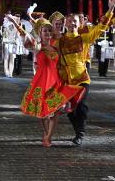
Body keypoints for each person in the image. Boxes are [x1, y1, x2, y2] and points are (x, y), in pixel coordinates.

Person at [57, 0, 115, 145]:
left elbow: (100, 28)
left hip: (82, 78)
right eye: (70, 21)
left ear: (79, 23)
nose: (72, 23)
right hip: (67, 79)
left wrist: (110, 10)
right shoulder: (60, 40)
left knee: (81, 106)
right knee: (70, 111)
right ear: (65, 23)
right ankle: (78, 131)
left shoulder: (84, 38)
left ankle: (80, 133)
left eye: (75, 21)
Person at [12, 17, 84, 147]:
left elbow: (62, 65)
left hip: (56, 82)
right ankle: (46, 133)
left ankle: (49, 136)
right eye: (45, 31)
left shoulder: (56, 48)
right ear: (40, 33)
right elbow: (26, 37)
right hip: (41, 82)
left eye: (50, 31)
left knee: (56, 110)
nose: (48, 34)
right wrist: (16, 24)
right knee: (43, 112)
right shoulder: (38, 47)